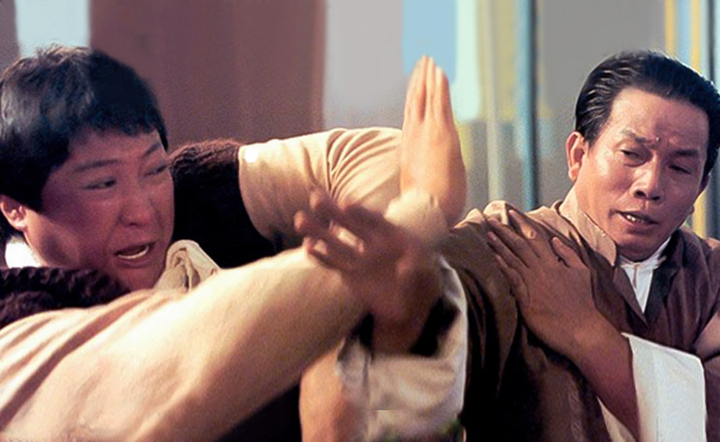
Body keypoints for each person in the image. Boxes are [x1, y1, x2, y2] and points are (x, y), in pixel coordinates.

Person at [0, 46, 468, 440]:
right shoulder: (16, 322)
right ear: (15, 207)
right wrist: (421, 211)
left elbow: (383, 159)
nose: (143, 211)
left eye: (154, 169)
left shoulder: (191, 191)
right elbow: (189, 349)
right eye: (103, 184)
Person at [448, 50, 720, 441]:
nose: (650, 185)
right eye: (631, 154)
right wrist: (421, 217)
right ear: (578, 155)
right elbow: (413, 312)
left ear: (701, 186)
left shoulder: (712, 276)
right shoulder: (506, 246)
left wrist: (586, 333)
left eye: (679, 167)